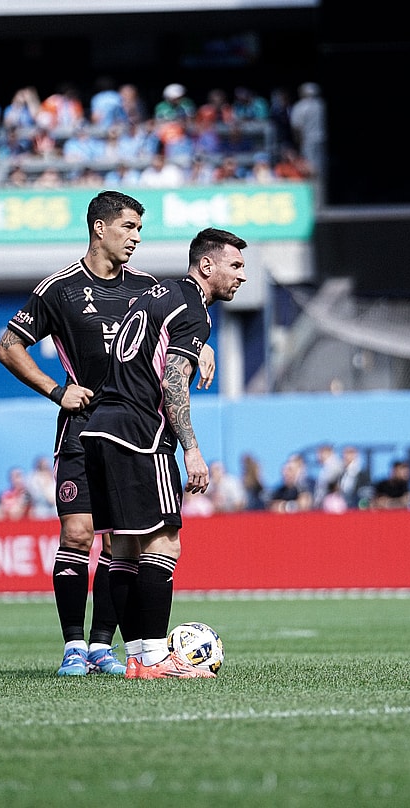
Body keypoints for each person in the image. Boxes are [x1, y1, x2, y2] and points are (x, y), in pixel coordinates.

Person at [0, 191, 215, 677]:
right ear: (100, 228)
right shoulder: (59, 289)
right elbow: (8, 347)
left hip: (133, 429)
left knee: (121, 544)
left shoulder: (147, 287)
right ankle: (74, 645)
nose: (137, 238)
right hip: (80, 427)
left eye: (140, 229)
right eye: (129, 227)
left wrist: (203, 347)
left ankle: (102, 646)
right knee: (76, 533)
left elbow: (178, 330)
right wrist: (57, 390)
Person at [81, 227, 247, 679]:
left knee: (125, 550)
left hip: (99, 427)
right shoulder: (194, 307)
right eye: (235, 266)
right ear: (207, 266)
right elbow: (173, 380)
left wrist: (201, 347)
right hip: (141, 434)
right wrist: (191, 449)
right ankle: (157, 659)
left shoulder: (157, 293)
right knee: (164, 543)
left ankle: (137, 658)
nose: (242, 276)